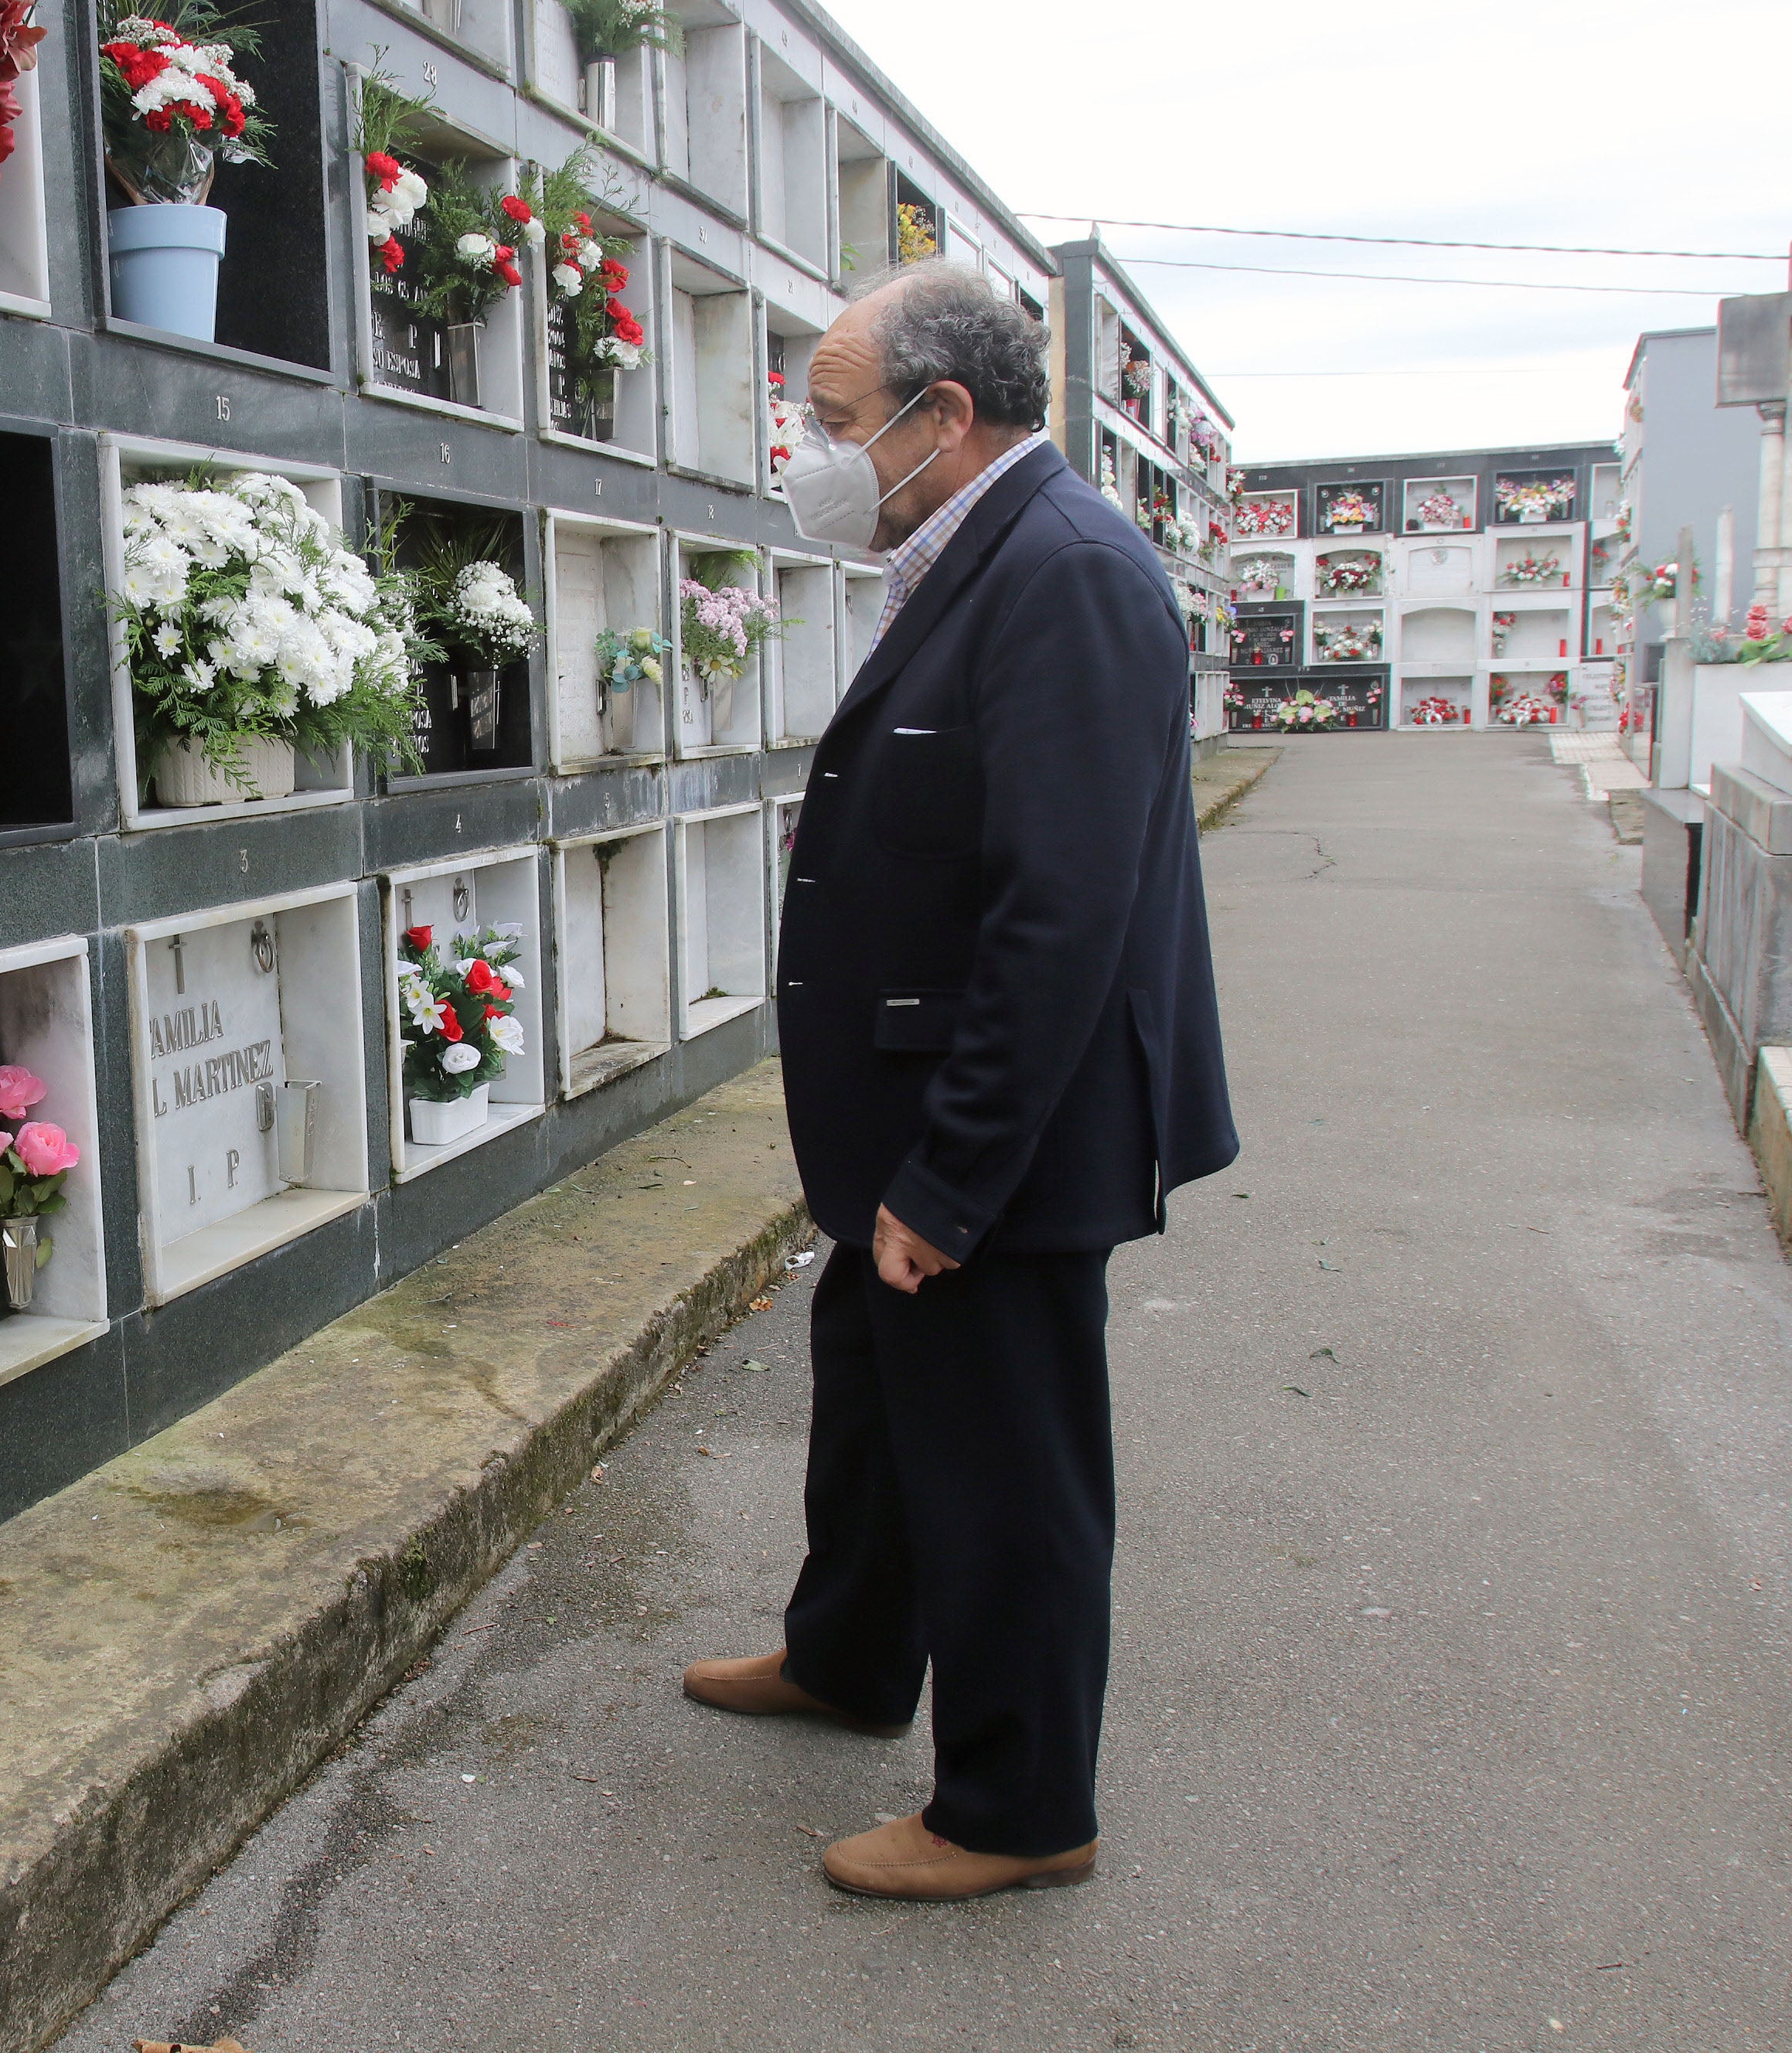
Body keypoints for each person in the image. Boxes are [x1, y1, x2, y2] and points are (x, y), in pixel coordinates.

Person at [683, 261, 1236, 1901]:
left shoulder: (1067, 570)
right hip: (911, 1108)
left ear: (944, 415)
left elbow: (1061, 912)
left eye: (834, 419)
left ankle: (1018, 1805)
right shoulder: (970, 552)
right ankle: (851, 1653)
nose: (810, 450)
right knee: (874, 1399)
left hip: (1008, 1128)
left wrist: (953, 1176)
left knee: (1007, 1465)